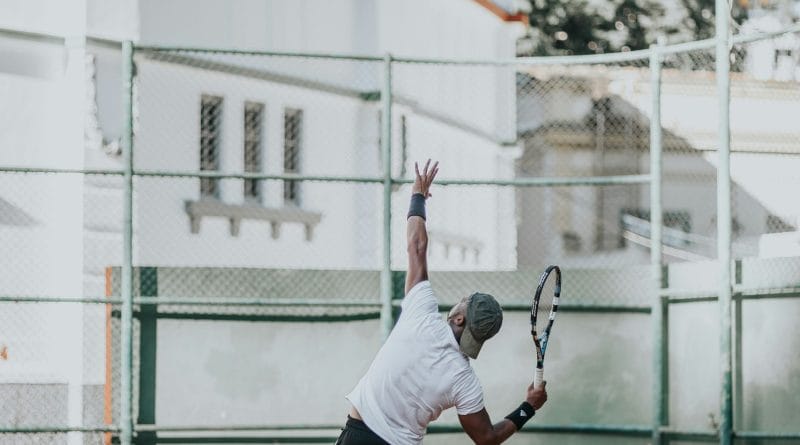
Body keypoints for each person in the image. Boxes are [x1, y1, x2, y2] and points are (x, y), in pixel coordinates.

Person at [337, 159, 548, 445]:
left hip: (359, 433)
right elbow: (486, 438)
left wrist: (417, 197)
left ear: (459, 318)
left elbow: (416, 246)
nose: (458, 302)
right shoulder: (465, 381)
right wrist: (529, 407)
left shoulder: (422, 313)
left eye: (463, 302)